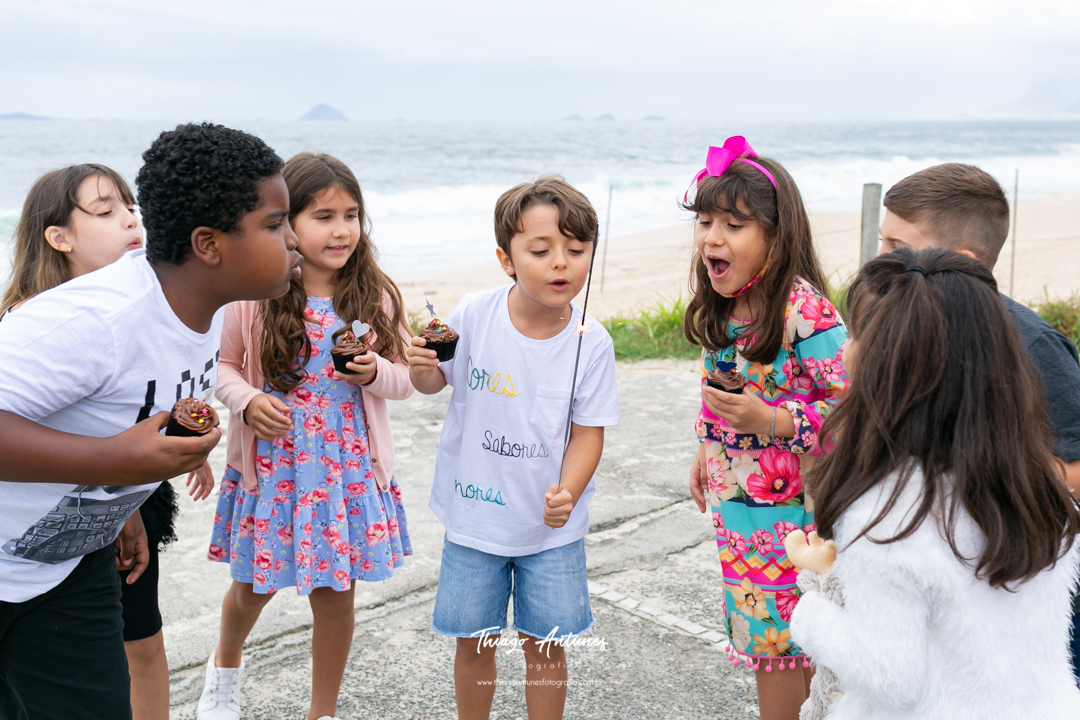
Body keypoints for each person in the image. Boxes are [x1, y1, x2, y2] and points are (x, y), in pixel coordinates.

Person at [0, 122, 302, 720]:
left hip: (67, 570)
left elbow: (108, 410)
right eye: (274, 224)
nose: (293, 239)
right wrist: (117, 463)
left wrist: (122, 503)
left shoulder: (205, 309)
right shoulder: (96, 319)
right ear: (208, 245)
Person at [790, 247, 1080, 718]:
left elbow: (891, 679)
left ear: (893, 365)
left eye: (859, 334)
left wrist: (810, 614)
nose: (844, 349)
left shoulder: (887, 513)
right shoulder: (1036, 487)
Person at [198, 152, 413, 720]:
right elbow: (220, 369)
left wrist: (376, 373)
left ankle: (323, 711)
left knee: (336, 598)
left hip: (345, 473)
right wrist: (248, 401)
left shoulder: (375, 298)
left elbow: (405, 380)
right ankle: (224, 666)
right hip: (275, 471)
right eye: (323, 216)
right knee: (252, 588)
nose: (342, 229)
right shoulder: (254, 295)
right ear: (286, 222)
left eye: (352, 214)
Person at [0, 163, 214, 720]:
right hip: (46, 516)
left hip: (102, 509)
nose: (129, 222)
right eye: (104, 211)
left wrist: (120, 505)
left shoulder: (153, 311)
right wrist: (112, 474)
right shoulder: (44, 325)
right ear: (59, 237)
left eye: (130, 208)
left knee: (138, 634)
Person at [407, 175, 619, 720]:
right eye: (542, 250)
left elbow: (588, 431)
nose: (561, 264)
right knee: (473, 642)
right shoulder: (475, 314)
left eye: (576, 250)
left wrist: (568, 491)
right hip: (474, 518)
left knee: (545, 647)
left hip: (552, 530)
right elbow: (435, 385)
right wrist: (422, 366)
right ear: (506, 258)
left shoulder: (591, 342)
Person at [876, 162, 1080, 677]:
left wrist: (973, 476)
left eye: (896, 247)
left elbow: (1077, 468)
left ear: (960, 262)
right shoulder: (902, 329)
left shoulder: (1032, 347)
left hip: (1016, 582)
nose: (879, 260)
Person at [683, 137, 849, 720]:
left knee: (785, 644)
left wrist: (770, 420)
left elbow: (859, 415)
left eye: (734, 224)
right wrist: (707, 449)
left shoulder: (804, 312)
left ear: (776, 240)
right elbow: (716, 394)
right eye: (705, 221)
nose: (711, 238)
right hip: (740, 518)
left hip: (800, 521)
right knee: (763, 642)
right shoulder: (724, 311)